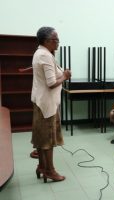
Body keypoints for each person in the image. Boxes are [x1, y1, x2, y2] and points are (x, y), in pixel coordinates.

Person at [31, 26, 71, 182]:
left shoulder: (41, 52)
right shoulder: (45, 56)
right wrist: (65, 76)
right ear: (47, 41)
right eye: (56, 40)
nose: (58, 43)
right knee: (47, 139)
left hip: (42, 101)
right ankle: (50, 170)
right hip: (46, 104)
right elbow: (52, 83)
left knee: (41, 138)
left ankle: (42, 166)